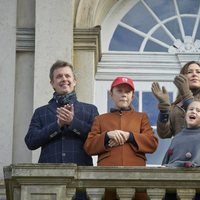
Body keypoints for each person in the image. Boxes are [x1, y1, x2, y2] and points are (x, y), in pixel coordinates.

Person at [25, 60, 99, 200]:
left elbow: (97, 140)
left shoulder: (90, 110)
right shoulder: (41, 112)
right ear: (52, 83)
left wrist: (73, 123)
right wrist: (57, 125)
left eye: (67, 76)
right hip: (48, 181)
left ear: (75, 81)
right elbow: (30, 141)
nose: (64, 79)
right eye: (59, 76)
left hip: (81, 182)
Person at [84, 76, 158, 200]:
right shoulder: (100, 119)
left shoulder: (141, 117)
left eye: (127, 92)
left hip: (137, 177)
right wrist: (107, 136)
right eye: (119, 91)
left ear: (132, 97)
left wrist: (129, 136)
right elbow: (89, 146)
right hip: (107, 179)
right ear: (111, 94)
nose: (124, 95)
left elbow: (152, 143)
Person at [162, 100, 200, 200]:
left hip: (196, 189)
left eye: (198, 111)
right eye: (191, 109)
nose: (193, 112)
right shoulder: (177, 138)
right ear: (185, 114)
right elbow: (166, 163)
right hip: (173, 189)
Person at [151, 61, 200, 138]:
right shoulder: (176, 106)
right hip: (180, 148)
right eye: (189, 72)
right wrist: (164, 109)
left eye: (198, 72)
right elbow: (164, 134)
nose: (194, 74)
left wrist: (186, 94)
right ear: (183, 77)